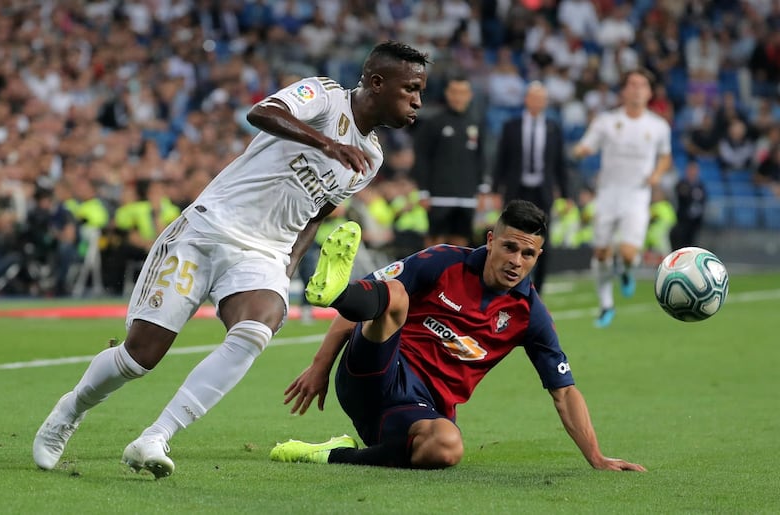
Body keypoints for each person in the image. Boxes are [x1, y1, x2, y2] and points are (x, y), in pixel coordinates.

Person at [32, 41, 429, 478]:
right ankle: (70, 409)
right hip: (208, 229)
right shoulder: (324, 95)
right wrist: (327, 144)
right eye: (411, 88)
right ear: (376, 82)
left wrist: (286, 270)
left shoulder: (371, 158)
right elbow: (262, 113)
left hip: (264, 251)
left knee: (257, 327)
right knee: (138, 359)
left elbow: (316, 215)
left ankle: (155, 437)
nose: (417, 100)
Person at [270, 200, 645, 472]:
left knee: (447, 448)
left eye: (528, 254)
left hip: (414, 413)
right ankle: (338, 294)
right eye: (510, 247)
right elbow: (375, 294)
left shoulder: (530, 316)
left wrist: (596, 457)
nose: (516, 260)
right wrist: (320, 366)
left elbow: (563, 391)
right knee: (394, 294)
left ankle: (334, 454)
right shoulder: (442, 261)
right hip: (375, 370)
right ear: (491, 240)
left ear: (538, 256)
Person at [572, 68, 671, 328]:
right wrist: (580, 150)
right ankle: (606, 305)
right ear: (624, 90)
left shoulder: (658, 126)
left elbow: (665, 156)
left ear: (649, 92)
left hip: (637, 196)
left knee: (627, 253)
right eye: (632, 84)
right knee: (602, 252)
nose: (637, 89)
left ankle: (627, 271)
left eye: (642, 85)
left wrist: (658, 174)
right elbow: (587, 144)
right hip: (607, 194)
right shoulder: (606, 121)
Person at [493, 81, 569, 293]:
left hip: (542, 192)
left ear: (545, 102)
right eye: (533, 97)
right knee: (510, 235)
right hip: (517, 190)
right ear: (526, 99)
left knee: (542, 239)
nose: (537, 102)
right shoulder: (512, 126)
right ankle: (508, 282)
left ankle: (538, 289)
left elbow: (559, 164)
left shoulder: (553, 128)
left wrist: (566, 194)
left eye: (541, 99)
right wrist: (495, 190)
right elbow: (502, 160)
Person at [412, 73, 484, 247]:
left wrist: (482, 189)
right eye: (454, 92)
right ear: (447, 94)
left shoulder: (475, 123)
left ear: (470, 95)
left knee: (461, 243)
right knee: (435, 243)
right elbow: (421, 157)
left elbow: (480, 159)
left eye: (463, 92)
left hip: (467, 196)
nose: (458, 97)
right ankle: (430, 275)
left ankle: (454, 275)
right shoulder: (434, 123)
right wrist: (423, 191)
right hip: (439, 196)